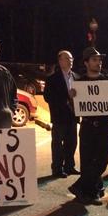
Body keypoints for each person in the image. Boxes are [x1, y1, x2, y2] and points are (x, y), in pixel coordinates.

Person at [68, 47, 108, 205]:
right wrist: (71, 99)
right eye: (95, 60)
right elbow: (75, 109)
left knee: (103, 159)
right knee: (87, 160)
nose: (99, 63)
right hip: (88, 127)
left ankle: (79, 187)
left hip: (104, 126)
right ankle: (91, 192)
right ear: (86, 63)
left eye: (100, 60)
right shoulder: (80, 83)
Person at [43, 50, 80, 178]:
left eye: (71, 58)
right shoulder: (53, 78)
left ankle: (69, 166)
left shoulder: (77, 77)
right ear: (60, 61)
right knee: (58, 144)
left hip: (73, 116)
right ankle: (57, 169)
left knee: (72, 143)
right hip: (59, 117)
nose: (70, 61)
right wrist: (66, 96)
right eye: (67, 58)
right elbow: (47, 97)